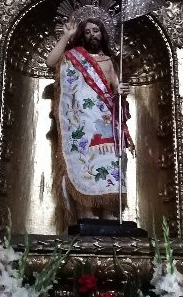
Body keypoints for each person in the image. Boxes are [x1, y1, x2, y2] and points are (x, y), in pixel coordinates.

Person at [45, 16, 131, 221]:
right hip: (81, 123)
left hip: (105, 121)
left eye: (96, 31)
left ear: (103, 34)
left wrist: (121, 90)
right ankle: (86, 211)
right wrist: (66, 36)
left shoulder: (109, 61)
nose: (93, 35)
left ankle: (109, 211)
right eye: (88, 31)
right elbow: (50, 62)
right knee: (84, 162)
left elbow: (114, 88)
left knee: (110, 162)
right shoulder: (73, 57)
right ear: (82, 35)